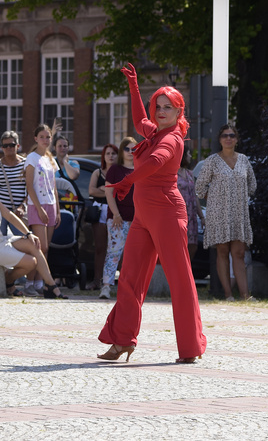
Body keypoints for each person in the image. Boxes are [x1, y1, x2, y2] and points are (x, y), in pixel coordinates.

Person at [99, 63, 207, 364]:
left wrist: (124, 182)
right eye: (157, 106)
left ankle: (191, 348)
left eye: (167, 107)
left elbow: (153, 164)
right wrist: (134, 86)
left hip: (168, 215)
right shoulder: (153, 132)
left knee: (180, 281)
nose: (160, 111)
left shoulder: (172, 139)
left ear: (178, 112)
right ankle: (121, 341)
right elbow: (138, 119)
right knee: (130, 278)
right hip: (145, 217)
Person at [0, 168, 67, 298]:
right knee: (31, 262)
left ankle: (50, 285)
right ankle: (8, 281)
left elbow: (10, 216)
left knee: (33, 243)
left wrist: (28, 233)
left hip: (0, 241)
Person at [195, 124, 257, 301]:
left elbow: (252, 184)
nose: (228, 138)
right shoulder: (212, 161)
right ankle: (228, 294)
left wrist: (239, 196)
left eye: (231, 135)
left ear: (236, 139)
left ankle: (245, 296)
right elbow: (199, 187)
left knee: (238, 253)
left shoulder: (244, 160)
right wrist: (214, 199)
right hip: (218, 213)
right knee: (222, 252)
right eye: (224, 135)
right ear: (220, 139)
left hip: (239, 213)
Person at [24, 124, 61, 296]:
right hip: (37, 205)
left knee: (46, 248)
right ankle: (29, 282)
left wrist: (58, 210)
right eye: (42, 137)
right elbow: (29, 186)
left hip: (51, 204)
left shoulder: (50, 159)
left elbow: (53, 187)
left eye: (48, 137)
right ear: (36, 138)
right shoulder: (31, 158)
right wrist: (39, 208)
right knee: (40, 247)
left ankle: (40, 283)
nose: (45, 140)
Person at [100, 137, 136, 299]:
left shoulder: (140, 169)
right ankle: (106, 286)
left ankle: (128, 288)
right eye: (127, 149)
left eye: (134, 149)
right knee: (113, 252)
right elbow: (109, 193)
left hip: (136, 219)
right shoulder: (115, 170)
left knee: (132, 256)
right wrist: (116, 214)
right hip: (117, 218)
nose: (130, 152)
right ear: (122, 151)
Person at [87, 143, 119, 290]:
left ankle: (113, 281)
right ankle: (97, 280)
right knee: (100, 247)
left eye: (113, 153)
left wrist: (105, 190)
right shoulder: (97, 173)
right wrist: (108, 192)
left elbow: (119, 194)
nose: (110, 156)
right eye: (107, 154)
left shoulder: (120, 172)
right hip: (100, 211)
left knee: (116, 248)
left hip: (117, 212)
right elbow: (92, 191)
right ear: (103, 156)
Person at [0, 131, 27, 236]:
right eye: (5, 145)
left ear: (18, 146)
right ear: (2, 148)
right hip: (0, 211)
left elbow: (31, 189)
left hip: (19, 212)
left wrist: (23, 206)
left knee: (23, 241)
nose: (9, 148)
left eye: (12, 145)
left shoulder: (26, 164)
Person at [178, 148, 205, 260]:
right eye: (189, 153)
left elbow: (195, 196)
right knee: (179, 246)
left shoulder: (189, 174)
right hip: (178, 215)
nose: (190, 156)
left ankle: (186, 272)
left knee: (193, 246)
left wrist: (202, 217)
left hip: (191, 216)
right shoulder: (171, 174)